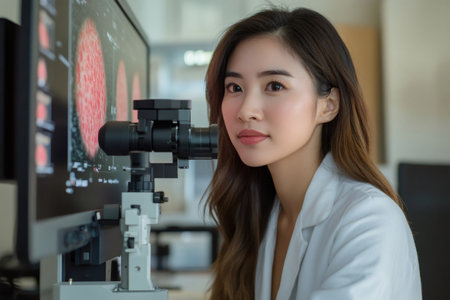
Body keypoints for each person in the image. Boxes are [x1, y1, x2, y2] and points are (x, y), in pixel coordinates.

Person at [204, 7, 421, 300]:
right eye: (235, 87)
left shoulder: (369, 220)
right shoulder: (258, 214)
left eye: (275, 86)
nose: (245, 110)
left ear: (328, 105)